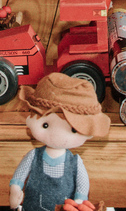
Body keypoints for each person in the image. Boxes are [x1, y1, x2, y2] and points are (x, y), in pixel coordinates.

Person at [9, 73, 110, 211]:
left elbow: (82, 186)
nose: (57, 134)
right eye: (45, 125)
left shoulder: (75, 162)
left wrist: (79, 201)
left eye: (73, 129)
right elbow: (19, 175)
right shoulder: (33, 156)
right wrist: (15, 188)